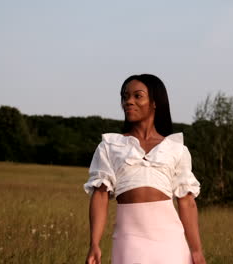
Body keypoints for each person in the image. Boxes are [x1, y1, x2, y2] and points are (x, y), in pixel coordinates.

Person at [84, 74, 206, 264]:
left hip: (171, 241)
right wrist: (94, 244)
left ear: (155, 102)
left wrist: (196, 250)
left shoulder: (176, 148)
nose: (128, 102)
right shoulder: (110, 145)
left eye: (137, 96)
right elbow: (100, 196)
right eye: (125, 97)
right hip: (129, 239)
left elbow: (187, 202)